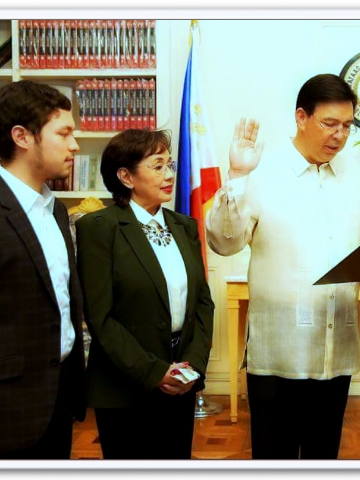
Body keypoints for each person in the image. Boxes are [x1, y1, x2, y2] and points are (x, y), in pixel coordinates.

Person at [206, 73, 360, 459]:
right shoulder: (260, 174)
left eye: (347, 126)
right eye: (330, 123)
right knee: (274, 460)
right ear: (301, 117)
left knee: (323, 458)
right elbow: (224, 243)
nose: (339, 135)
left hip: (336, 349)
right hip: (278, 353)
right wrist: (237, 177)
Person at [75, 129, 214, 459]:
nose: (169, 174)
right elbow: (100, 318)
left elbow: (202, 304)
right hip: (125, 388)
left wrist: (192, 367)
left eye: (170, 164)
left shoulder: (184, 226)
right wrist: (155, 373)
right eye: (157, 166)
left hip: (180, 382)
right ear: (126, 177)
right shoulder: (99, 228)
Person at [0, 80, 86, 459]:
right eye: (63, 133)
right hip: (6, 406)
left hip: (58, 395)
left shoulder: (57, 210)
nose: (75, 145)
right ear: (22, 137)